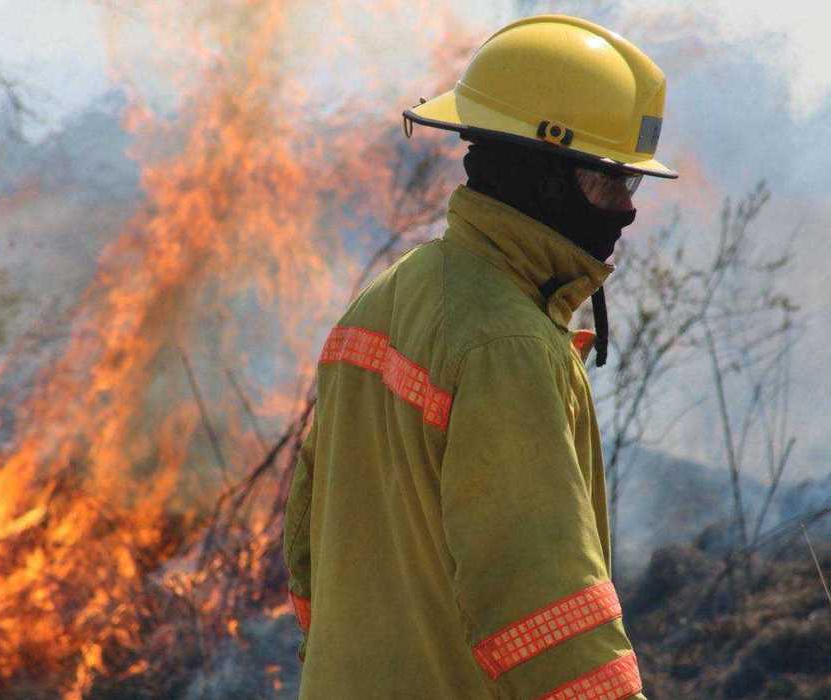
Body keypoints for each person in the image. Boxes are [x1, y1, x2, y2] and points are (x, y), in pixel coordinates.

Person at [283, 13, 676, 699]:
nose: (624, 208)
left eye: (631, 183)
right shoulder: (506, 346)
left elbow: (307, 555)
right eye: (608, 178)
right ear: (540, 172)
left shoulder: (381, 303)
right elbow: (540, 594)